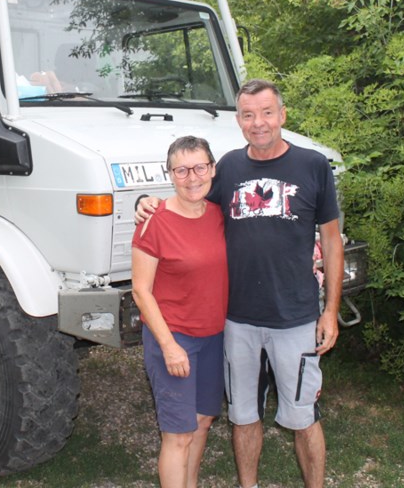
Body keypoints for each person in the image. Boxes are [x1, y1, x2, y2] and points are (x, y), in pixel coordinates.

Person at [136, 79, 344, 488]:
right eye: (249, 115)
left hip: (296, 316)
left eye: (267, 112)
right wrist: (149, 201)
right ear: (239, 121)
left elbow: (332, 241)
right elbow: (188, 199)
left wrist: (331, 310)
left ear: (282, 115)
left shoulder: (314, 166)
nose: (259, 123)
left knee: (303, 418)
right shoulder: (228, 167)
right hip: (236, 321)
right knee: (243, 416)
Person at [131, 136, 229, 488]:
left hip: (214, 337)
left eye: (200, 167)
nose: (192, 177)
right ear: (169, 174)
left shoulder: (219, 215)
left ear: (212, 169)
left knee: (202, 422)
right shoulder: (154, 221)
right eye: (182, 170)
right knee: (178, 434)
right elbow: (141, 291)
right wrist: (170, 346)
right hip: (173, 339)